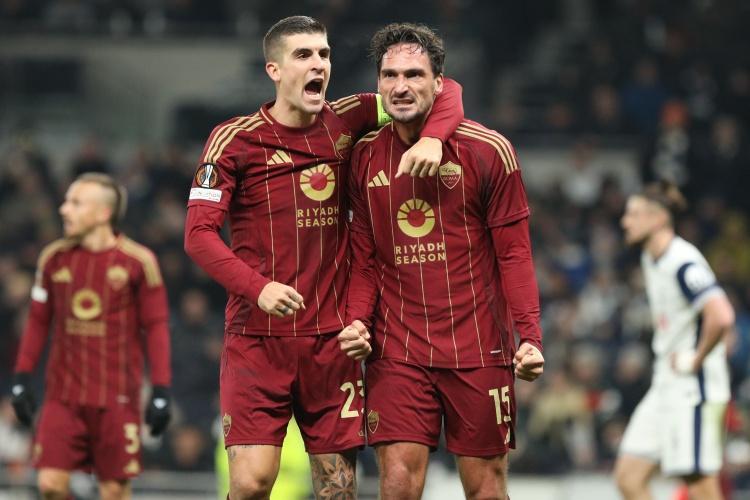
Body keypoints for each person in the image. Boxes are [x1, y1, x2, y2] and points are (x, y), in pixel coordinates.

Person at [183, 15, 463, 499]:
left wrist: (435, 137)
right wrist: (258, 288)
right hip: (257, 340)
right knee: (250, 483)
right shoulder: (234, 139)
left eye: (324, 54)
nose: (319, 64)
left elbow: (446, 90)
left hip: (331, 343)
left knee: (339, 490)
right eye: (304, 55)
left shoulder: (349, 116)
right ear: (274, 70)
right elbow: (198, 236)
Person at [339, 22, 544, 500]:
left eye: (414, 74)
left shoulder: (488, 151)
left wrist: (530, 337)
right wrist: (356, 321)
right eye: (390, 75)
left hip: (479, 347)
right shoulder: (364, 157)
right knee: (396, 484)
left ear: (439, 84)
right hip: (398, 350)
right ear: (378, 84)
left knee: (486, 488)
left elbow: (514, 253)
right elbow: (364, 259)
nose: (400, 86)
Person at [10, 172, 172, 500]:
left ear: (103, 213)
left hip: (117, 398)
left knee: (113, 491)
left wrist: (161, 389)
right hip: (62, 397)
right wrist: (22, 377)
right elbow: (38, 322)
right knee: (50, 485)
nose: (64, 209)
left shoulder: (138, 262)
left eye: (75, 203)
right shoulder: (53, 258)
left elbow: (156, 327)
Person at [615, 182, 734, 500]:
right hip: (665, 382)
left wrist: (696, 359)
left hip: (693, 387)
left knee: (698, 482)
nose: (625, 221)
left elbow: (721, 315)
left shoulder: (683, 261)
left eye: (634, 214)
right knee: (629, 476)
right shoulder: (650, 257)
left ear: (658, 219)